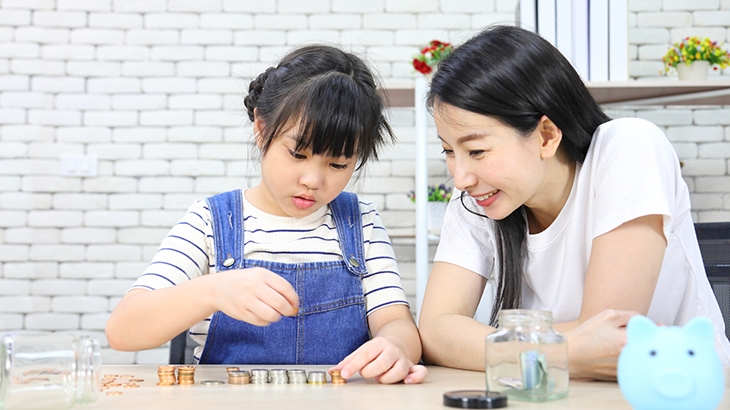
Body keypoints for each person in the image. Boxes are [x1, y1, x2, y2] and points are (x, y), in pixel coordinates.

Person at [418, 25, 730, 380]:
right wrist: (559, 351)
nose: (461, 177)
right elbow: (435, 330)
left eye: (476, 151)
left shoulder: (628, 147)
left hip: (682, 390)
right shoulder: (478, 197)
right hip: (558, 392)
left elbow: (608, 341)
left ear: (546, 136)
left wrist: (496, 347)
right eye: (449, 151)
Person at [106, 45, 427, 385]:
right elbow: (123, 330)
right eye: (298, 154)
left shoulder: (360, 222)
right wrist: (211, 291)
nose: (313, 181)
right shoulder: (211, 222)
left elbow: (395, 320)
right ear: (261, 128)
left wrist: (395, 345)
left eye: (338, 164)